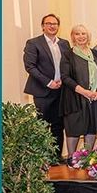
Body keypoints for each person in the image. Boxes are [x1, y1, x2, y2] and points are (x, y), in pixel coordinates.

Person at [23, 13, 71, 157]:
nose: (52, 26)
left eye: (55, 24)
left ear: (58, 26)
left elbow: (68, 65)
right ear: (43, 26)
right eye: (48, 23)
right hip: (42, 91)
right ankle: (42, 158)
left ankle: (56, 157)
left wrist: (64, 79)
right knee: (42, 125)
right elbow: (30, 67)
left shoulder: (64, 43)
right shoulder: (33, 43)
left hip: (61, 90)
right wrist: (48, 82)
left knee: (58, 125)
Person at [60, 24, 97, 157]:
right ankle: (71, 158)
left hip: (94, 98)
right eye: (77, 34)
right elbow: (65, 77)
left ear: (88, 36)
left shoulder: (96, 54)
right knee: (74, 128)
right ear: (73, 37)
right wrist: (84, 92)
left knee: (91, 128)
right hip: (75, 98)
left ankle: (86, 158)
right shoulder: (68, 54)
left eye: (83, 34)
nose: (81, 37)